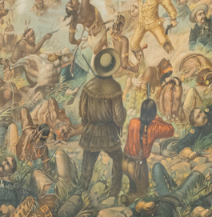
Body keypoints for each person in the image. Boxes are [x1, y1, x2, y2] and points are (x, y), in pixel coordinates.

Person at [74, 48, 128, 197]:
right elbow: (119, 118)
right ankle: (114, 193)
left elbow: (83, 113)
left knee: (87, 164)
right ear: (111, 68)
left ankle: (80, 193)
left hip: (91, 132)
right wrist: (124, 113)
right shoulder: (115, 88)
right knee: (118, 160)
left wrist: (89, 125)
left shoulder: (88, 87)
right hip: (109, 133)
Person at [123, 97, 174, 196]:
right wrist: (158, 119)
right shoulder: (155, 127)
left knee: (132, 191)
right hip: (138, 165)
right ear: (153, 113)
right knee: (143, 194)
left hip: (125, 162)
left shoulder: (133, 122)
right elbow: (171, 130)